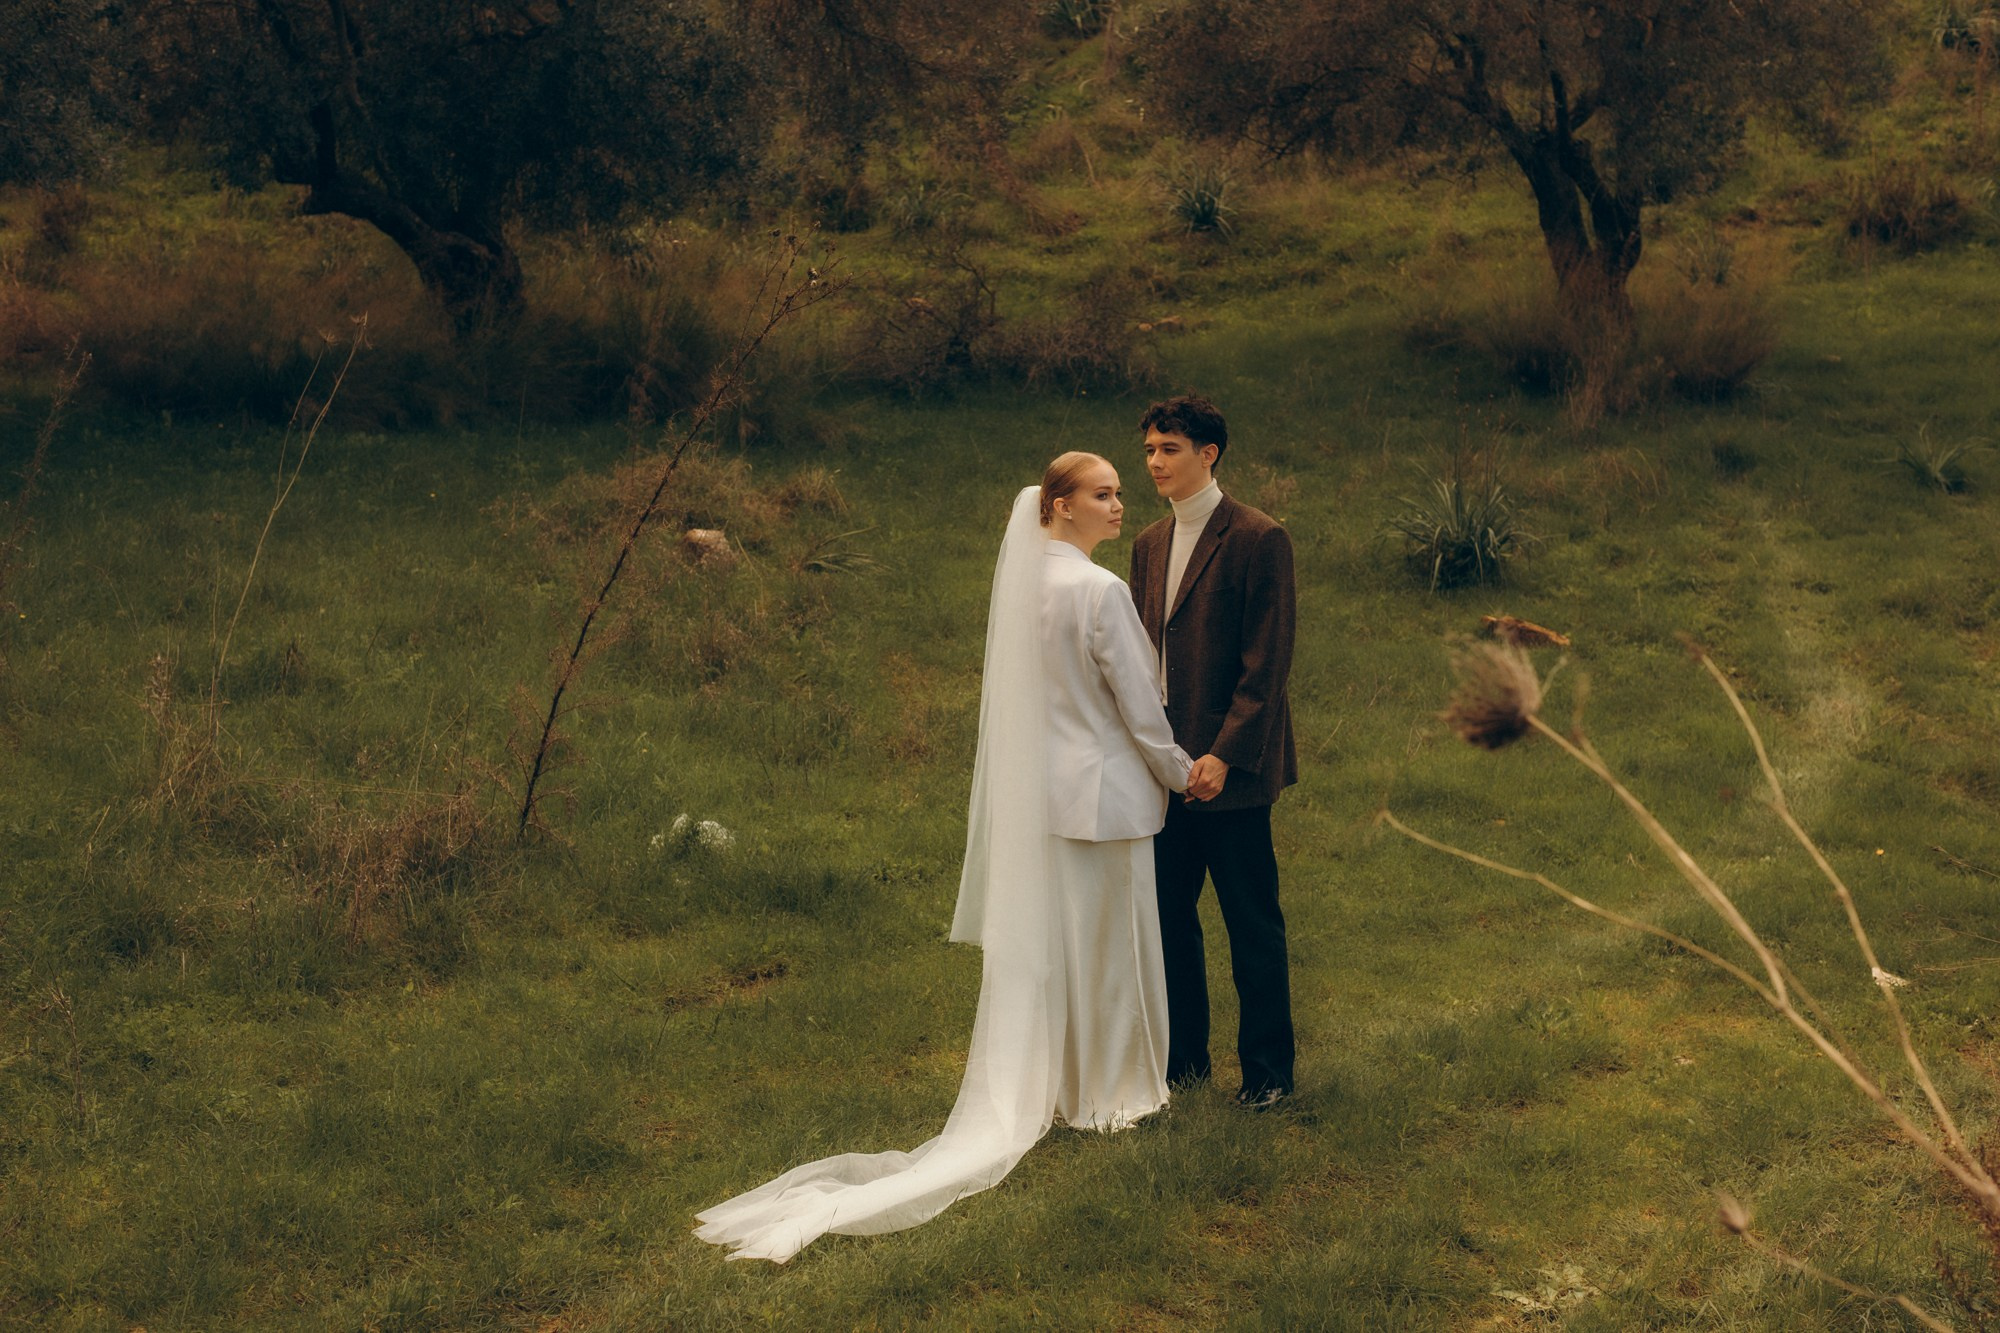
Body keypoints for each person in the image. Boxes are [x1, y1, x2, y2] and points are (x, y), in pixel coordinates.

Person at [693, 453, 1192, 1263]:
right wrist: (1181, 771)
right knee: (1111, 953)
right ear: (1058, 507)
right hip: (1106, 800)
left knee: (1065, 952)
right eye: (1102, 494)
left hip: (1048, 802)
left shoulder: (1027, 587)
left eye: (1117, 492)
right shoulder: (1099, 592)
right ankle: (1115, 1096)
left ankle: (1068, 1087)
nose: (1118, 503)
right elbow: (1137, 706)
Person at [1128, 394, 1299, 1110]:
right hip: (1165, 770)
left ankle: (1267, 1075)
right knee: (1168, 924)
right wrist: (1156, 753)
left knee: (1250, 922)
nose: (1156, 462)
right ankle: (1183, 1066)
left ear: (1209, 453)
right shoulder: (1148, 544)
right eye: (1149, 451)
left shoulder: (1260, 538)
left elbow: (1268, 664)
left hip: (1233, 772)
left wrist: (1226, 754)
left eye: (1169, 448)